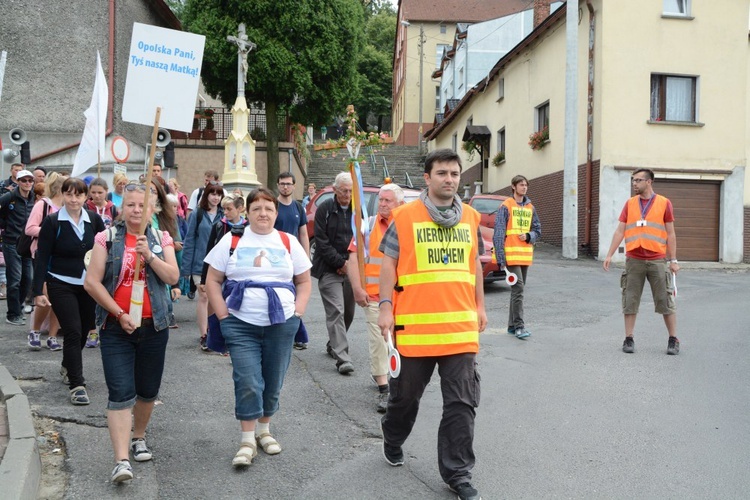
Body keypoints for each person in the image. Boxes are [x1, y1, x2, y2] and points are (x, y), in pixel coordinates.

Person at [377, 149, 486, 500]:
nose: (450, 179)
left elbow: (475, 266)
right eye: (442, 173)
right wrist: (385, 308)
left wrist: (480, 306)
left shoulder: (470, 218)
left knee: (461, 404)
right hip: (415, 331)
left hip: (460, 331)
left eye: (455, 173)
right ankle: (393, 437)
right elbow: (388, 265)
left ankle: (458, 473)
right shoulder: (404, 217)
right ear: (427, 178)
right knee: (404, 399)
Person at [204, 187, 311, 468]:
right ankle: (247, 440)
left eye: (269, 209)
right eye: (257, 209)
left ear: (276, 213)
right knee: (248, 380)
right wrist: (224, 316)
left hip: (282, 323)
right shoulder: (232, 239)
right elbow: (212, 281)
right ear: (247, 212)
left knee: (273, 379)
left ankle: (264, 430)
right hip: (240, 324)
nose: (263, 213)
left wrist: (298, 313)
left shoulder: (288, 242)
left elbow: (304, 281)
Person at [84, 182, 179, 483]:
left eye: (142, 205)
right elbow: (92, 283)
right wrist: (119, 313)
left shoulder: (160, 237)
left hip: (155, 327)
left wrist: (149, 256)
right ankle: (121, 460)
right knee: (120, 392)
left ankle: (139, 437)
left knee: (147, 390)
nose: (137, 210)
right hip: (116, 328)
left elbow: (173, 276)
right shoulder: (106, 238)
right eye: (131, 205)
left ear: (152, 209)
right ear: (121, 208)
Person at [33, 178, 105, 406]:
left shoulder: (94, 220)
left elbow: (104, 250)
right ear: (63, 195)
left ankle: (67, 365)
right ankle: (77, 384)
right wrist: (38, 290)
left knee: (84, 330)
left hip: (89, 285)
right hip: (60, 283)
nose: (74, 199)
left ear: (86, 197)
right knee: (72, 330)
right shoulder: (53, 222)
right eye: (69, 194)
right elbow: (42, 257)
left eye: (79, 195)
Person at [603, 168, 680, 355]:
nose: (634, 184)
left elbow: (670, 233)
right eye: (633, 180)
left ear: (649, 182)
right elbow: (620, 231)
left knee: (665, 300)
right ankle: (628, 338)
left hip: (657, 260)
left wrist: (673, 259)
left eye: (638, 180)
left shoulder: (664, 203)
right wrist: (609, 254)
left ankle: (673, 339)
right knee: (630, 300)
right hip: (634, 259)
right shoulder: (630, 204)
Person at [347, 183, 405, 412]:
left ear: (400, 204)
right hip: (374, 297)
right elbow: (353, 258)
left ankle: (397, 380)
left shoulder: (407, 225)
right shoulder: (367, 225)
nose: (382, 204)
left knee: (399, 342)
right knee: (380, 341)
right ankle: (384, 388)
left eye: (387, 201)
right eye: (380, 200)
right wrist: (356, 288)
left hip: (403, 297)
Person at [311, 172, 355, 374]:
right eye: (344, 190)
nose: (347, 194)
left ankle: (333, 343)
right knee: (336, 310)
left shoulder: (358, 210)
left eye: (350, 190)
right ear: (335, 190)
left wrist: (349, 265)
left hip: (351, 268)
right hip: (329, 269)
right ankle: (343, 358)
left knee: (348, 313)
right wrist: (340, 263)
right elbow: (321, 242)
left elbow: (362, 240)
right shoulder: (325, 210)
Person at [492, 175, 542, 340]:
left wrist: (529, 236)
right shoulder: (505, 206)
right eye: (521, 185)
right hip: (511, 257)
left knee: (516, 291)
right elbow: (499, 232)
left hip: (524, 257)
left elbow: (537, 230)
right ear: (513, 186)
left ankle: (512, 326)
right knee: (518, 289)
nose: (524, 187)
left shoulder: (530, 207)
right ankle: (519, 326)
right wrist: (501, 258)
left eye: (526, 185)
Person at [24, 172, 65, 351]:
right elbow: (30, 229)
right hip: (43, 256)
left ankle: (53, 336)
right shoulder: (43, 205)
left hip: (63, 257)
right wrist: (51, 232)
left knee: (60, 299)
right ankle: (35, 331)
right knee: (46, 296)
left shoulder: (68, 207)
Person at [182, 181, 224, 350]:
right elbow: (189, 241)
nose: (216, 197)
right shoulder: (197, 214)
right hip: (200, 264)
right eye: (212, 194)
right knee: (204, 297)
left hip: (219, 265)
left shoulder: (224, 214)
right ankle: (204, 334)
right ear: (206, 195)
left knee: (216, 299)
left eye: (219, 194)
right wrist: (186, 269)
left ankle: (213, 331)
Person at [274, 172, 310, 349]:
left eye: (288, 184)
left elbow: (303, 233)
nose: (285, 187)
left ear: (294, 186)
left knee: (296, 295)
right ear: (278, 185)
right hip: (276, 260)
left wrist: (306, 258)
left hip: (294, 258)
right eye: (282, 184)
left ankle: (296, 334)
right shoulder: (273, 206)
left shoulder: (298, 208)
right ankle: (296, 334)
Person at [0, 169, 36, 326]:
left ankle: (19, 307)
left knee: (27, 279)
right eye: (24, 180)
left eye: (30, 180)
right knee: (14, 279)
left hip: (27, 244)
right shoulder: (9, 197)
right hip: (11, 242)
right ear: (18, 182)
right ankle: (12, 313)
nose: (27, 183)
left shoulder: (34, 199)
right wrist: (5, 227)